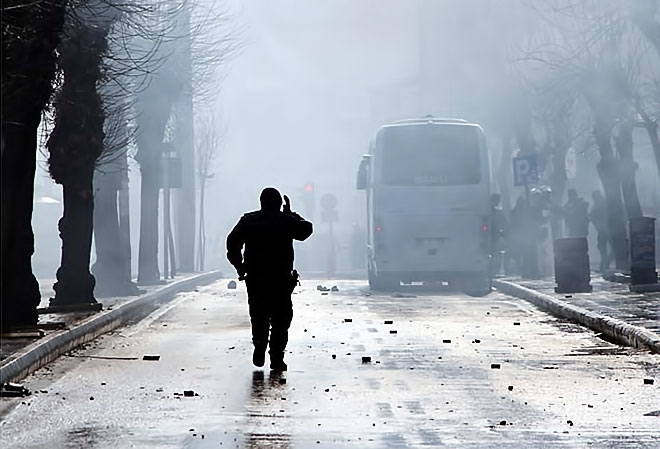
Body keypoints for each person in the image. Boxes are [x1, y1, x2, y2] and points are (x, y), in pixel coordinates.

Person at [226, 187, 313, 371]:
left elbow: (232, 243)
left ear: (261, 202)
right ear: (279, 204)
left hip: (256, 278)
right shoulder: (286, 221)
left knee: (259, 315)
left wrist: (240, 267)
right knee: (281, 319)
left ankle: (259, 344)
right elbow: (306, 230)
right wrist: (292, 214)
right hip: (280, 279)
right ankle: (276, 357)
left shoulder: (249, 221)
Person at [589, 190, 611, 273]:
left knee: (602, 247)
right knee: (603, 247)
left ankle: (605, 264)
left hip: (605, 229)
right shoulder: (602, 202)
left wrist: (598, 225)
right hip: (605, 229)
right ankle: (605, 264)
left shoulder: (599, 203)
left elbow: (591, 215)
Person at [490, 193, 507, 277]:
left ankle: (494, 272)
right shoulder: (494, 212)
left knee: (496, 254)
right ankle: (493, 272)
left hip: (494, 236)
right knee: (495, 254)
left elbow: (503, 223)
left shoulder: (497, 212)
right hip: (492, 236)